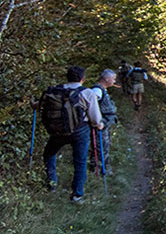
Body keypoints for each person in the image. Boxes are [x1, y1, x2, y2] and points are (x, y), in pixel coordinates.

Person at [41, 66, 103, 203]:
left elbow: (40, 105)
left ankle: (51, 184)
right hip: (80, 131)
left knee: (49, 154)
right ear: (83, 79)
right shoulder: (87, 93)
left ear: (67, 77)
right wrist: (100, 125)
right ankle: (77, 195)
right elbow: (95, 119)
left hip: (57, 130)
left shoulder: (55, 90)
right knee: (80, 162)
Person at [90, 69, 119, 176]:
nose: (114, 81)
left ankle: (104, 169)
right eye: (113, 78)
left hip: (105, 125)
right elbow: (91, 104)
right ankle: (97, 170)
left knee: (105, 146)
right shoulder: (97, 91)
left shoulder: (102, 90)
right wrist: (96, 121)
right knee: (100, 147)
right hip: (100, 125)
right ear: (106, 78)